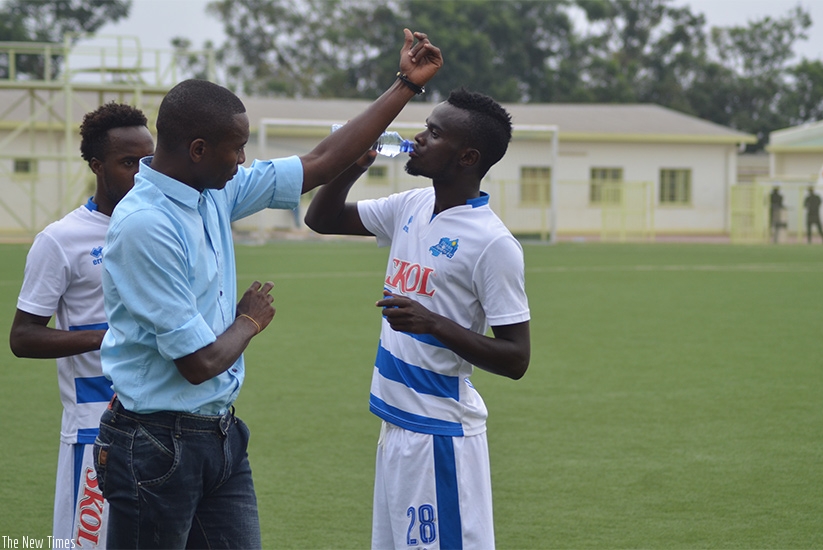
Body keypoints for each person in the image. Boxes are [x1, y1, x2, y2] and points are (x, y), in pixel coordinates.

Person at [93, 29, 442, 549]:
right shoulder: (146, 224)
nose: (242, 161)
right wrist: (249, 321)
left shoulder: (211, 188)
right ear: (197, 149)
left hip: (220, 435)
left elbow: (321, 161)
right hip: (155, 444)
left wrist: (404, 87)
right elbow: (198, 363)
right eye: (236, 149)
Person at [304, 88, 531, 550]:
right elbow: (322, 219)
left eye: (434, 132)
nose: (417, 138)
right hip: (396, 426)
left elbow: (516, 358)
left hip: (439, 436)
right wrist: (351, 166)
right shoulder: (410, 205)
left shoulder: (493, 243)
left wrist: (434, 324)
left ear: (467, 157)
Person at [9, 103, 154, 549]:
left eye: (148, 161)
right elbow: (23, 336)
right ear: (96, 166)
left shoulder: (160, 227)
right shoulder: (60, 240)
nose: (141, 172)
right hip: (95, 424)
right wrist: (109, 339)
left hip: (163, 421)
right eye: (128, 163)